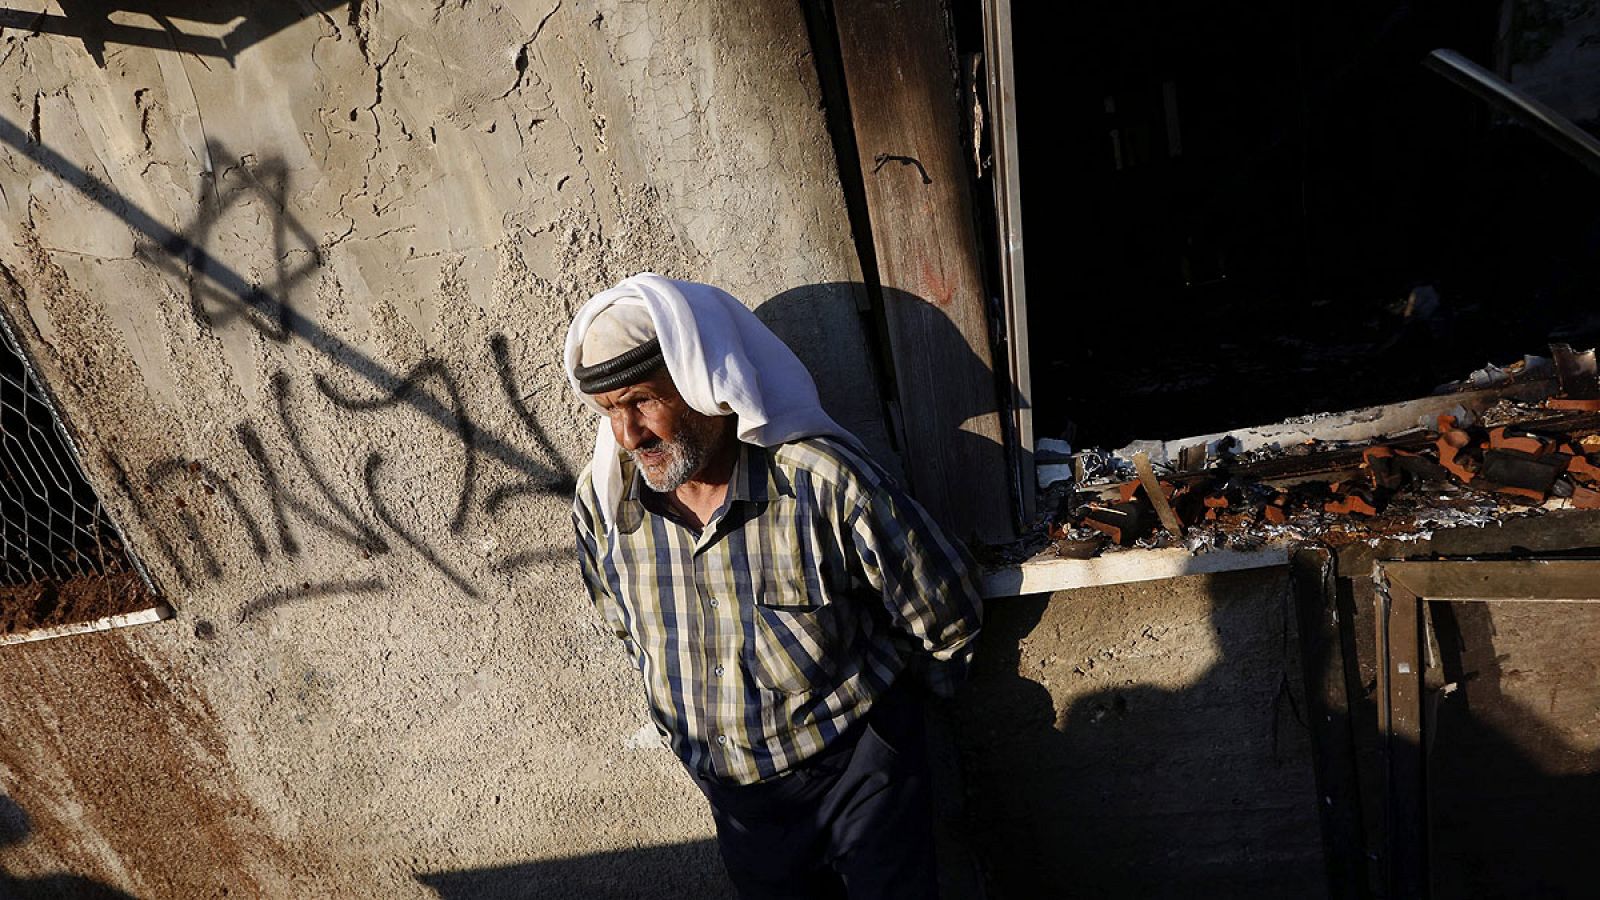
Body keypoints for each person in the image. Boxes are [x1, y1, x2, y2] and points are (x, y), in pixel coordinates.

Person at [565, 274, 983, 899]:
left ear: (704, 380)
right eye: (608, 412)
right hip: (738, 805)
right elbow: (624, 625)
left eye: (644, 401)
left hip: (858, 772)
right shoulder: (606, 505)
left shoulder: (822, 483)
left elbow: (943, 612)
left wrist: (900, 726)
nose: (629, 436)